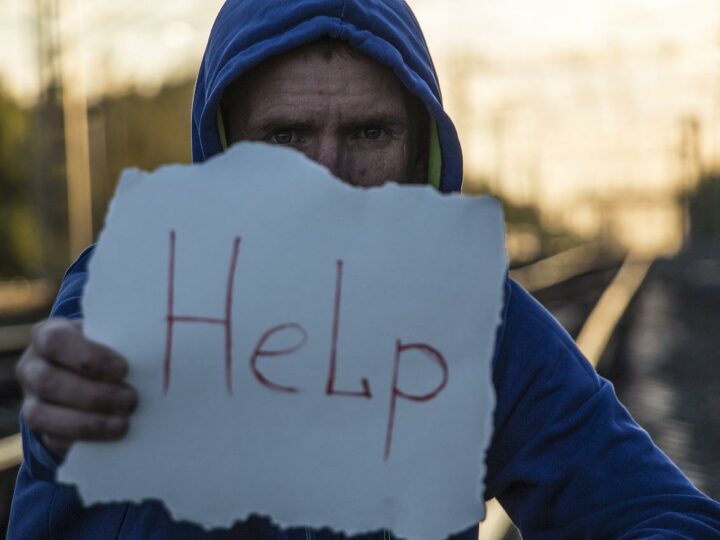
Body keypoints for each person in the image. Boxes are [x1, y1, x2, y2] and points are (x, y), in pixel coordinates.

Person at [9, 1, 720, 538]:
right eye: (285, 135)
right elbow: (77, 363)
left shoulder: (472, 319)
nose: (328, 175)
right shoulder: (142, 285)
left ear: (420, 155)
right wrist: (60, 411)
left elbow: (659, 512)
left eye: (369, 133)